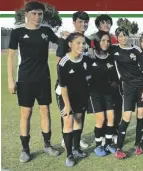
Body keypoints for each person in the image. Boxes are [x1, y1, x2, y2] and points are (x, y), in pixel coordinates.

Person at [7, 1, 60, 163]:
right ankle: (25, 149)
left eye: (40, 14)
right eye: (34, 13)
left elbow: (62, 44)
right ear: (26, 14)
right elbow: (11, 56)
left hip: (43, 78)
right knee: (26, 113)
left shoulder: (46, 31)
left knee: (45, 111)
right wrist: (11, 79)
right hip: (25, 79)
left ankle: (47, 145)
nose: (37, 17)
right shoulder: (18, 32)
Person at [110, 27, 143, 158]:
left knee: (141, 114)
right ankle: (118, 148)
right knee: (126, 116)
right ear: (117, 38)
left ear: (128, 36)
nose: (123, 38)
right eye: (120, 36)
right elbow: (98, 47)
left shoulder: (136, 50)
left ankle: (137, 145)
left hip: (141, 87)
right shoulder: (114, 50)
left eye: (125, 35)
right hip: (127, 87)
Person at [56, 11, 91, 150]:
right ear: (74, 23)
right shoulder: (66, 40)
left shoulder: (87, 41)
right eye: (80, 22)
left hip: (81, 85)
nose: (83, 24)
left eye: (85, 22)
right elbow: (59, 63)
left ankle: (78, 139)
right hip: (67, 84)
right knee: (67, 112)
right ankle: (66, 140)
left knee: (80, 115)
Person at [86, 31, 120, 156]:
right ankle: (98, 146)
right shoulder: (90, 57)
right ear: (96, 42)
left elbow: (115, 76)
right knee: (101, 119)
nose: (105, 43)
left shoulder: (110, 57)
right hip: (94, 94)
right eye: (103, 40)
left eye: (107, 41)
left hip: (108, 93)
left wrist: (115, 82)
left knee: (111, 117)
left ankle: (109, 143)